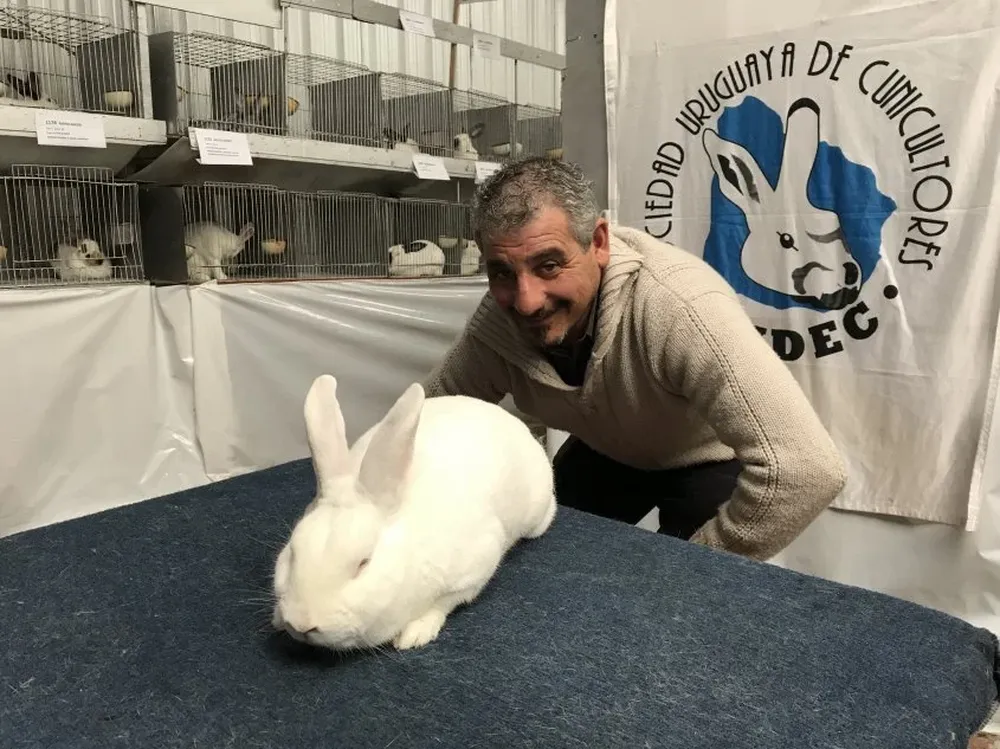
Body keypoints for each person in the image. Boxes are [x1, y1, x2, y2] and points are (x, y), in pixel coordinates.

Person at [422, 157, 846, 561]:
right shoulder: (500, 321)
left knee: (681, 603)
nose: (527, 302)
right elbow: (423, 419)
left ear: (599, 243)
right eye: (502, 272)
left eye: (549, 265)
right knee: (542, 560)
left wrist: (695, 571)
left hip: (704, 459)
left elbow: (806, 471)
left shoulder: (679, 307)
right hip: (608, 449)